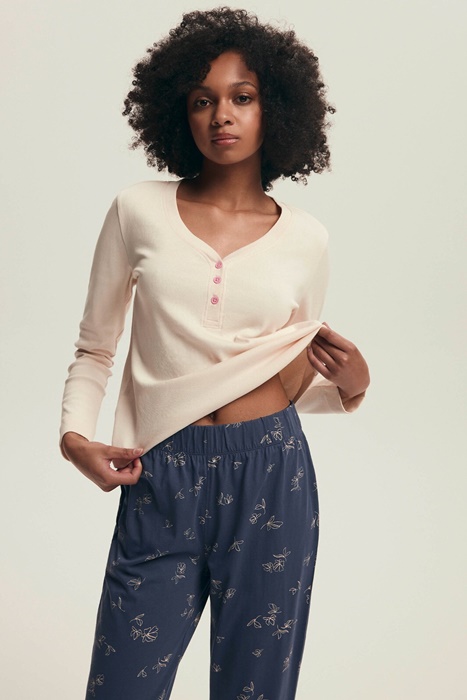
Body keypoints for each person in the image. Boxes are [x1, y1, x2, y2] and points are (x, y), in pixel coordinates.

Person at [60, 8, 370, 699]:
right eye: (202, 100)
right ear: (179, 112)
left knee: (255, 689)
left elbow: (288, 367)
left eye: (242, 97)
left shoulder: (307, 239)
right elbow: (95, 347)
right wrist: (75, 439)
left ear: (274, 110)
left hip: (272, 473)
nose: (221, 115)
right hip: (161, 473)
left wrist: (351, 385)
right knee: (121, 686)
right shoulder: (136, 210)